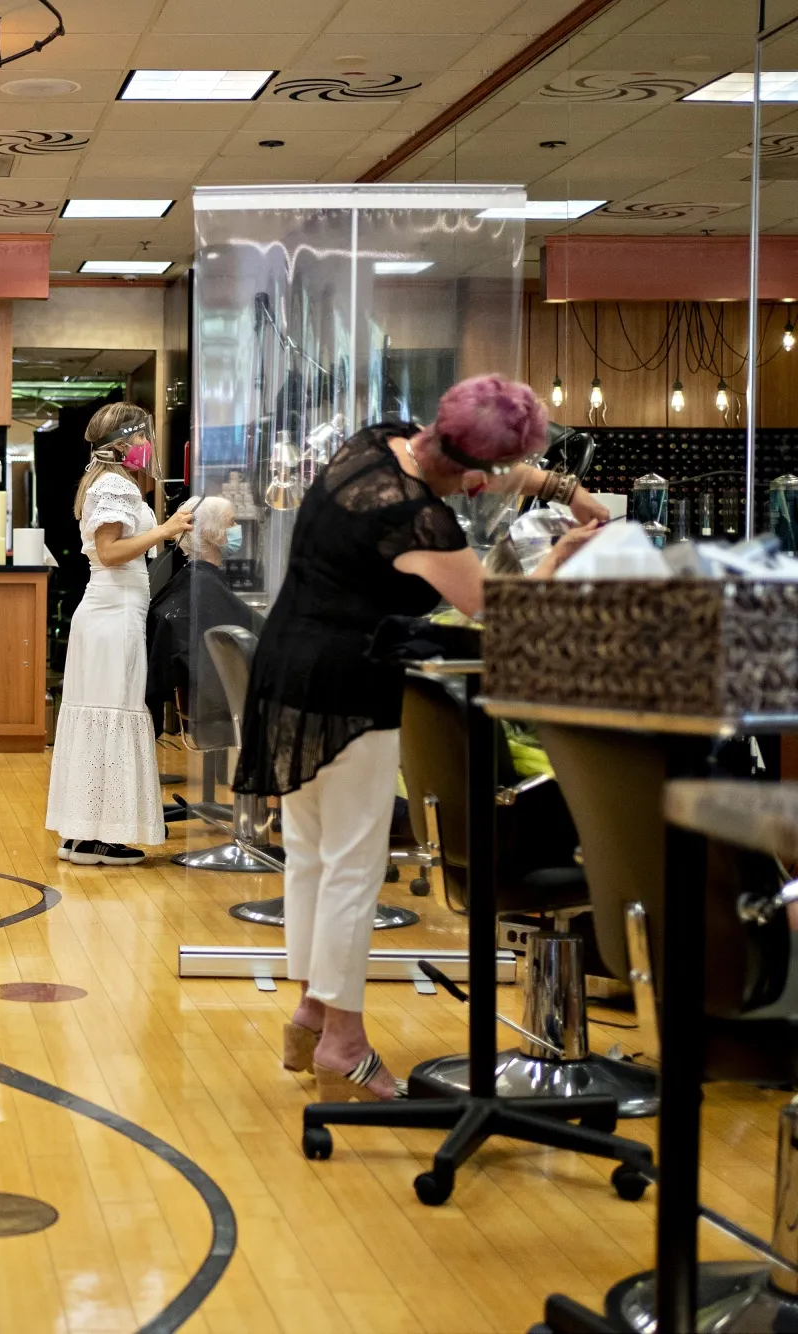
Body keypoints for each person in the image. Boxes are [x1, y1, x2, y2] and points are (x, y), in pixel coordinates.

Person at [232, 375, 600, 1102]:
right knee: (353, 866)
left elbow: (487, 465)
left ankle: (311, 1007)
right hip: (347, 686)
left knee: (311, 852)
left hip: (285, 665)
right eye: (485, 478)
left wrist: (561, 488)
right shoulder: (419, 523)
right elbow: (498, 611)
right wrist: (559, 560)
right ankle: (341, 1039)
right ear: (471, 475)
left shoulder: (371, 444)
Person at [45, 403, 193, 866]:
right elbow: (109, 552)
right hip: (113, 613)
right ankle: (97, 836)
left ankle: (84, 833)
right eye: (145, 437)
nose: (150, 447)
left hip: (114, 611)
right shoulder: (112, 485)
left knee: (103, 713)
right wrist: (164, 530)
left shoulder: (114, 484)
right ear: (127, 441)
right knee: (113, 710)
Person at [145, 494, 262, 746]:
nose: (236, 529)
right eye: (231, 523)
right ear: (212, 535)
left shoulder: (196, 582)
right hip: (224, 705)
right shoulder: (204, 587)